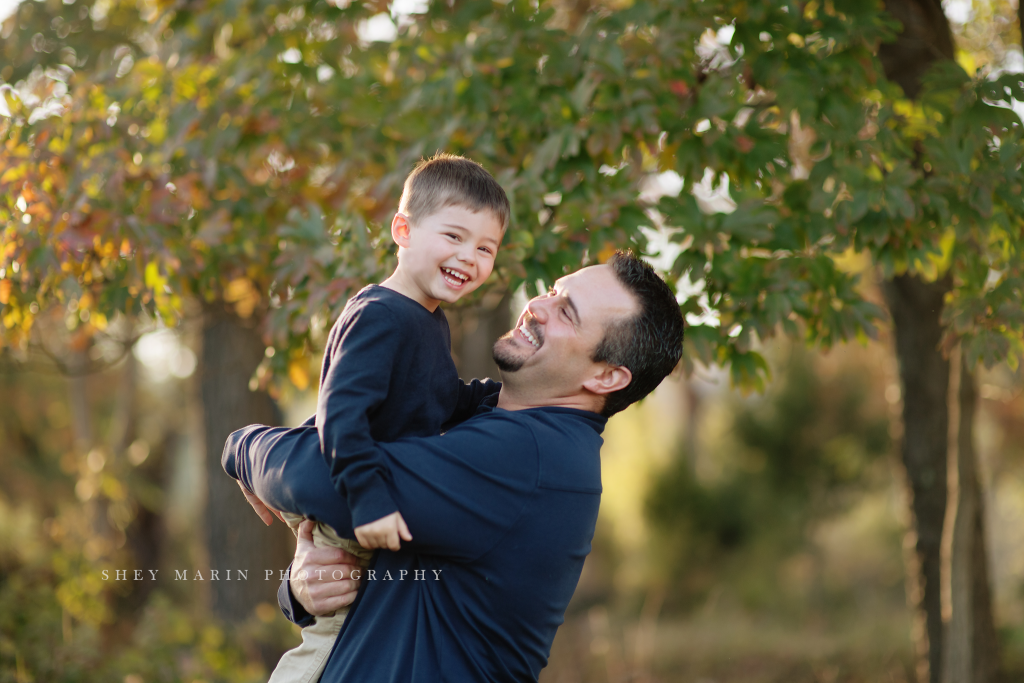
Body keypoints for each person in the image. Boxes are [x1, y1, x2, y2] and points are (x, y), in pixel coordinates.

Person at [223, 251, 685, 682]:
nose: (538, 306)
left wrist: (241, 449)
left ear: (605, 376)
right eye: (553, 291)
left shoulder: (532, 457)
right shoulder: (475, 413)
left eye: (568, 312)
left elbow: (321, 479)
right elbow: (340, 474)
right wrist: (302, 590)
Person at [257, 153, 510, 683]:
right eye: (454, 237)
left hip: (371, 498)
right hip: (353, 503)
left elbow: (433, 399)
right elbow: (342, 414)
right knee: (330, 643)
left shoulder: (426, 319)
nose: (469, 257)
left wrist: (490, 396)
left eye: (485, 248)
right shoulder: (380, 315)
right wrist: (368, 499)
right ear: (403, 229)